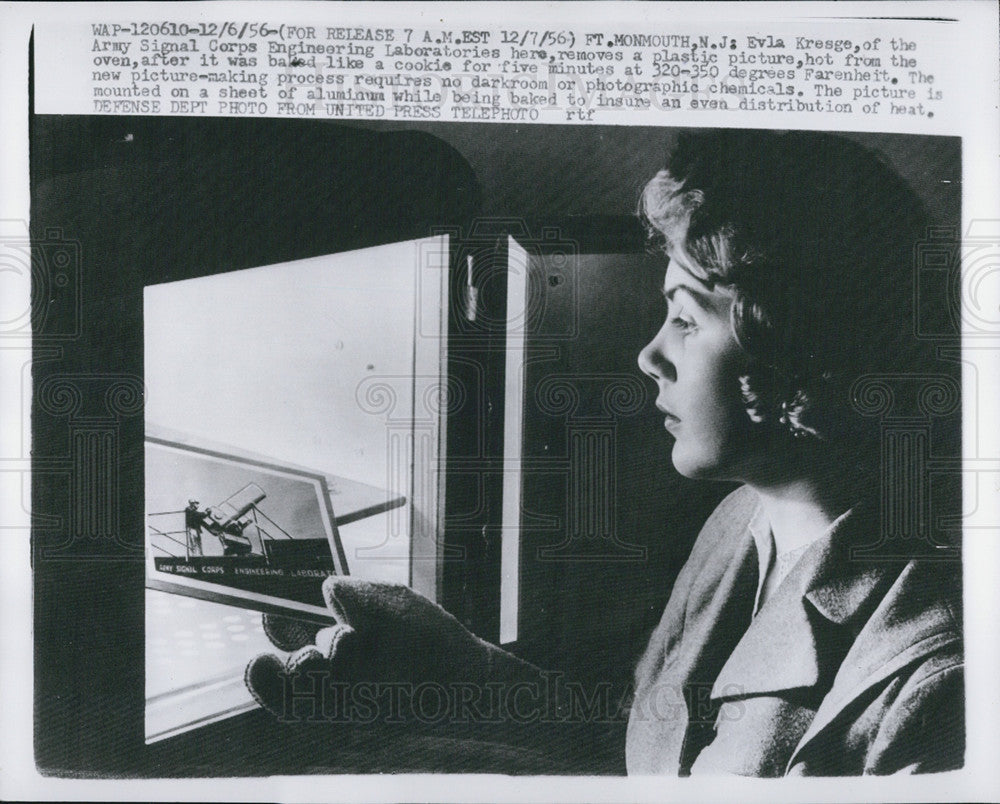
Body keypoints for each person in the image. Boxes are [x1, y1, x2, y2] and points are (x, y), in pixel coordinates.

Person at [245, 130, 963, 775]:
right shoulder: (743, 519)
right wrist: (461, 673)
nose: (650, 354)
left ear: (797, 348)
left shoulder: (933, 681)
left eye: (685, 318)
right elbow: (653, 757)